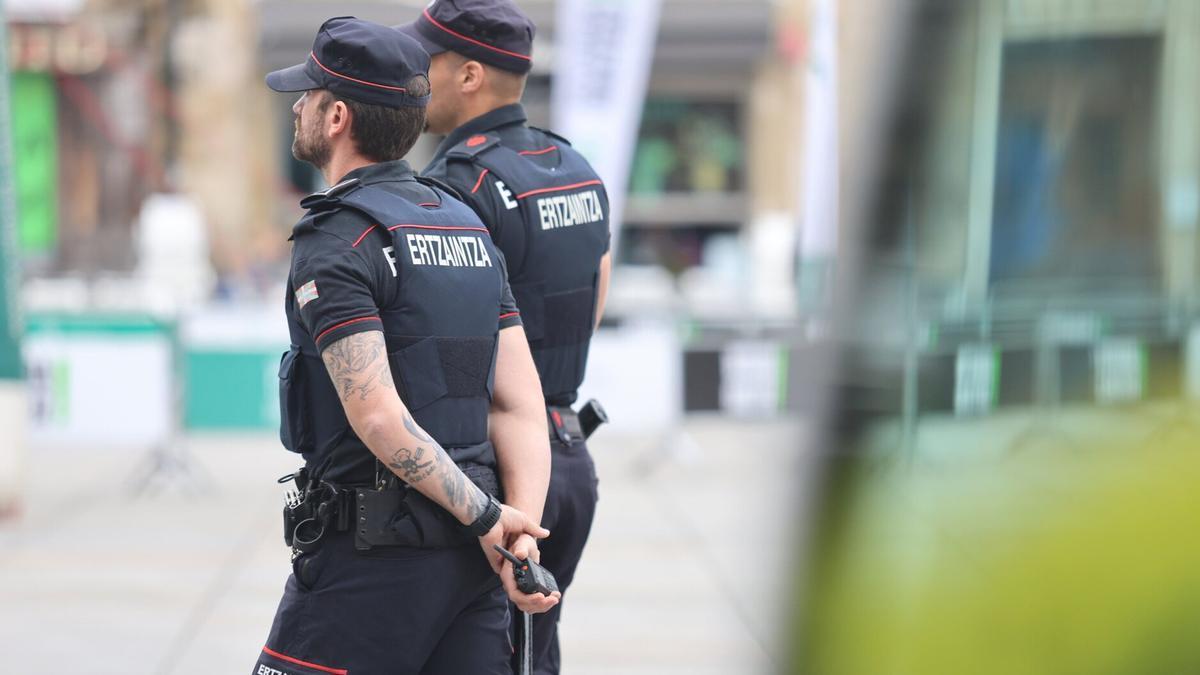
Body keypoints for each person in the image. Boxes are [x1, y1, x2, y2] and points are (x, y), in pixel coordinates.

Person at [253, 16, 558, 675]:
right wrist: (516, 535)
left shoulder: (337, 241)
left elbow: (378, 416)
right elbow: (518, 403)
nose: (298, 106)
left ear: (336, 116)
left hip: (369, 563)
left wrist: (491, 522)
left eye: (307, 94)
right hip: (472, 565)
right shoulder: (467, 225)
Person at [398, 2, 612, 672]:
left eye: (424, 61)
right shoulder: (578, 168)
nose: (413, 75)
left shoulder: (455, 188)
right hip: (569, 454)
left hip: (506, 475)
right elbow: (593, 301)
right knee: (529, 657)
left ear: (467, 75)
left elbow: (444, 356)